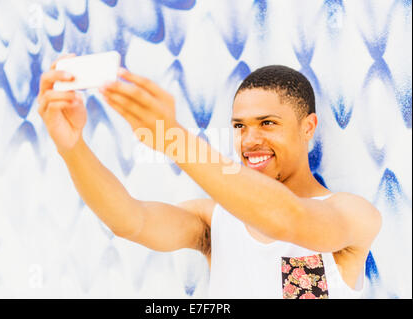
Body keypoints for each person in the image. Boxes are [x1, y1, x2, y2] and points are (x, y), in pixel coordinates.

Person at [38, 56, 381, 299]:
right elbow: (130, 220)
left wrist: (173, 138)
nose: (249, 140)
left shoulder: (353, 215)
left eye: (268, 123)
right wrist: (72, 147)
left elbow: (287, 220)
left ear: (308, 127)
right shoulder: (214, 219)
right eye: (239, 126)